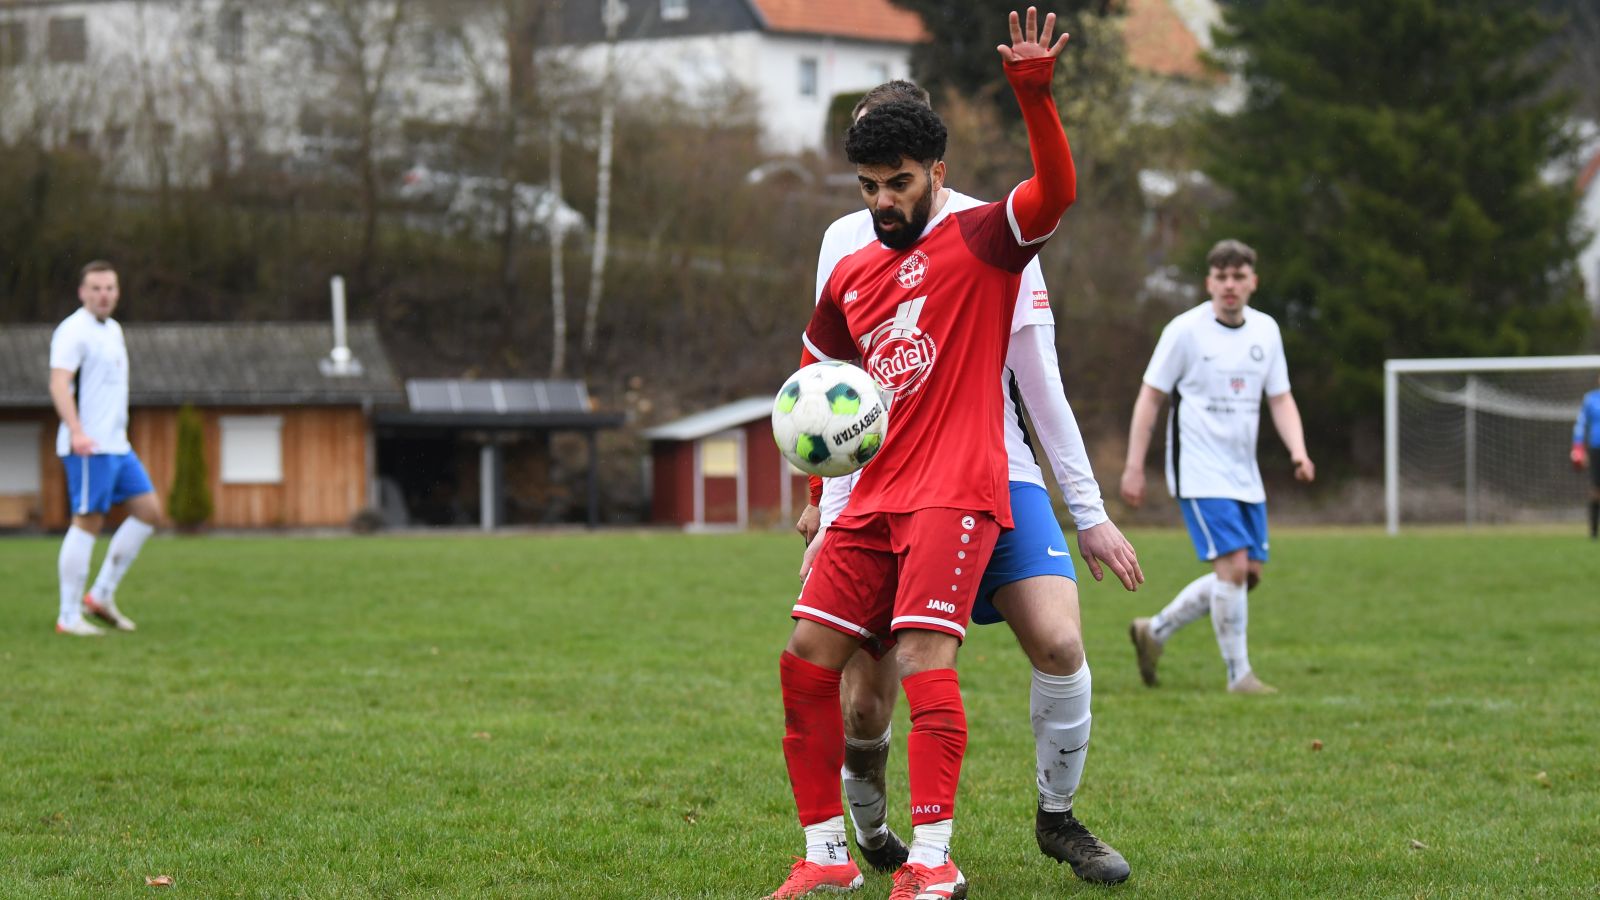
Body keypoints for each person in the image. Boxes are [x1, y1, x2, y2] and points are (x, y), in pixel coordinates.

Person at [791, 79, 1140, 886]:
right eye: (864, 163)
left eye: (895, 167)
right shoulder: (842, 240)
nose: (880, 188)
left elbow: (1039, 380)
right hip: (878, 488)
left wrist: (1087, 511)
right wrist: (824, 509)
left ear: (932, 161)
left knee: (1058, 640)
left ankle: (1058, 818)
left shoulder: (993, 231)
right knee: (863, 700)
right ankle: (872, 833)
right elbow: (840, 396)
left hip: (992, 470)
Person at [1119, 240, 1313, 694]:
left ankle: (1156, 631)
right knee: (1232, 570)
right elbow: (1150, 397)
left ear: (1253, 282)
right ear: (1209, 283)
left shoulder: (1266, 331)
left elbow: (1280, 397)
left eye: (1239, 277)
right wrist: (1133, 466)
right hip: (1200, 471)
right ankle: (1238, 675)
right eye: (1221, 278)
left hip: (1245, 473)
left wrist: (1299, 452)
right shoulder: (1185, 331)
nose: (1230, 286)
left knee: (1249, 576)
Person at [48, 260, 159, 636]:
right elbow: (59, 384)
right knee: (88, 522)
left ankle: (101, 595)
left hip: (117, 446)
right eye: (95, 288)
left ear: (118, 292)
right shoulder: (72, 331)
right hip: (88, 447)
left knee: (149, 511)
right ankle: (68, 615)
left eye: (109, 288)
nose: (103, 295)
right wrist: (77, 431)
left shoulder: (113, 330)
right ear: (82, 292)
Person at [1574, 374, 1600, 539]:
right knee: (1596, 490)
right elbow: (1580, 424)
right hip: (1596, 449)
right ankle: (1593, 531)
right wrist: (1578, 449)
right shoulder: (1590, 399)